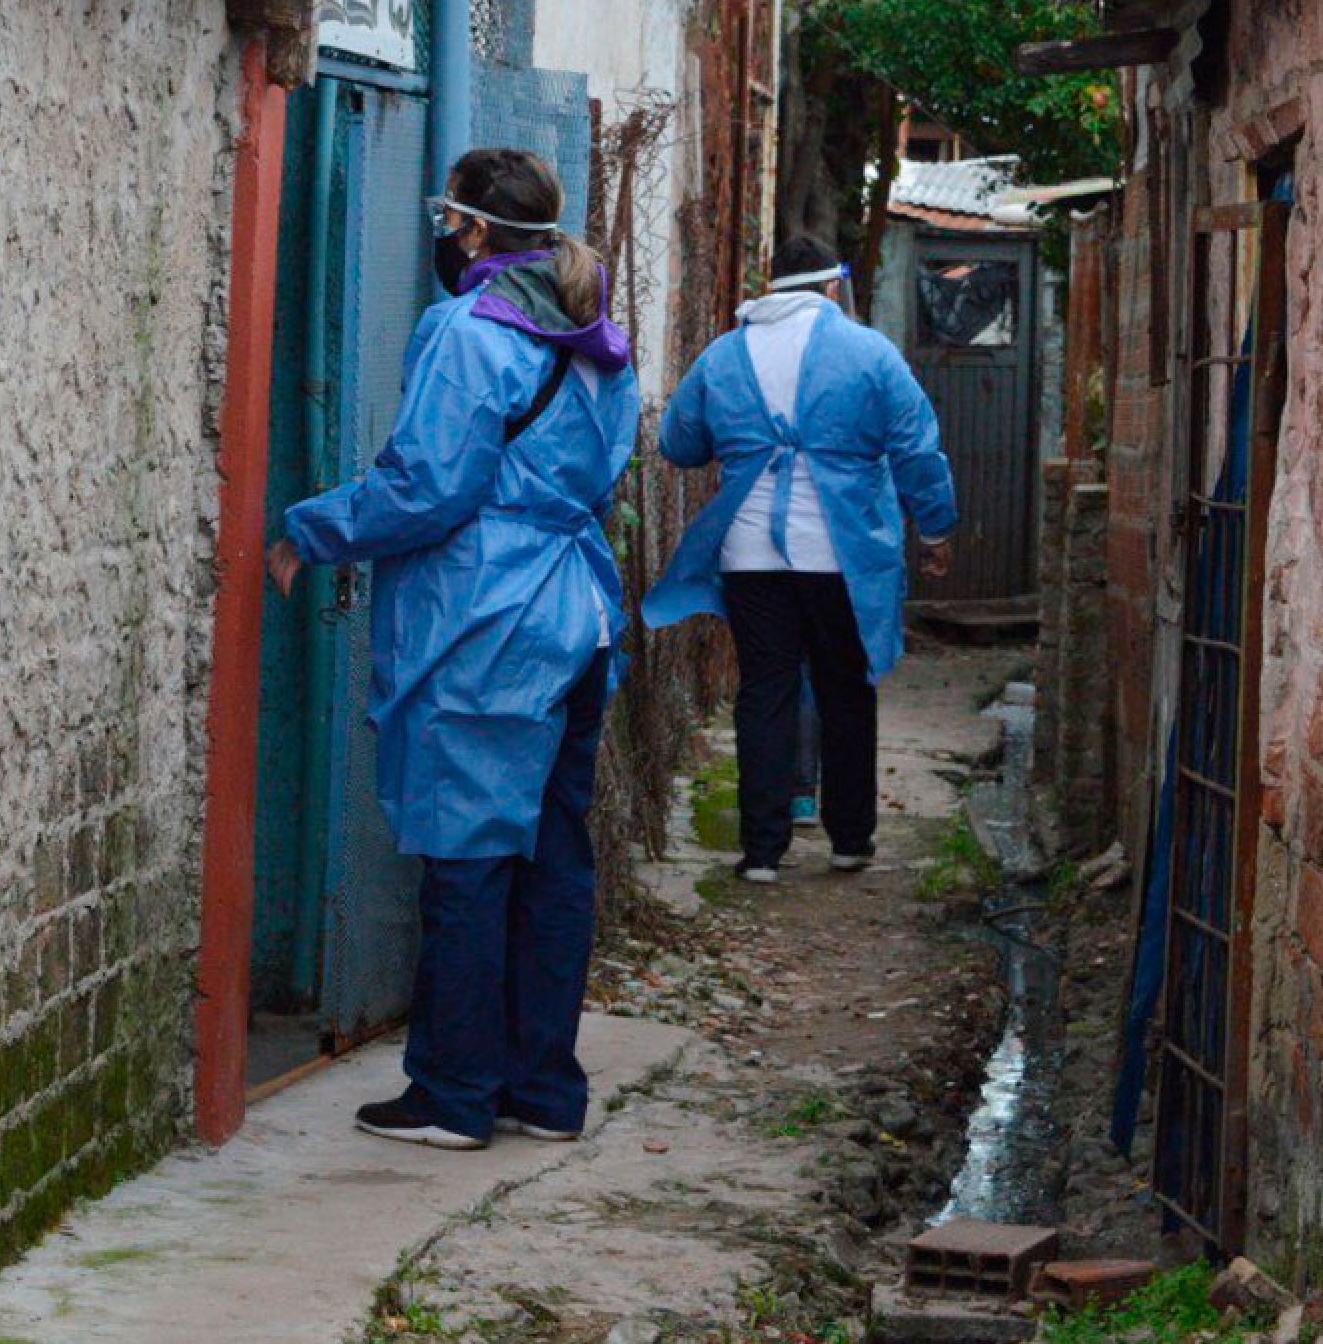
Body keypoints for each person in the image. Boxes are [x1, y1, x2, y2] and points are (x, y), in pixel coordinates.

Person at [266, 148, 639, 1151]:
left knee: (469, 855)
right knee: (554, 854)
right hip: (577, 613)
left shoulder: (467, 331)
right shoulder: (599, 338)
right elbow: (600, 478)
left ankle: (454, 1095)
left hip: (488, 623)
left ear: (469, 229)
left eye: (450, 220)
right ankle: (542, 1092)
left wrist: (309, 529)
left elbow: (429, 487)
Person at [641, 234, 957, 884]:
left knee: (765, 689)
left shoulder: (723, 356)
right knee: (846, 687)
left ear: (771, 284)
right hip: (843, 557)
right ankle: (850, 839)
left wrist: (745, 443)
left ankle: (761, 851)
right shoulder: (870, 353)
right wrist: (935, 528)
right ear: (832, 286)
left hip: (750, 552)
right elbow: (917, 446)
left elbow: (679, 442)